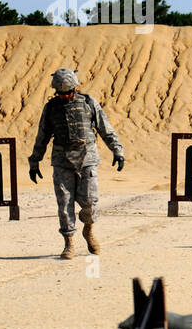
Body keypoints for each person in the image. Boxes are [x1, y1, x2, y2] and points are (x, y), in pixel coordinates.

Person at [28, 68, 125, 259]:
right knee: (64, 204)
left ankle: (88, 229)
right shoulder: (51, 108)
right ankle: (69, 243)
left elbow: (105, 128)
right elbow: (42, 136)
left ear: (75, 88)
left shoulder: (89, 103)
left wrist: (117, 150)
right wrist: (34, 162)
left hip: (87, 159)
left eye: (68, 92)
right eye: (60, 93)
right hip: (62, 161)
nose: (65, 96)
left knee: (89, 201)